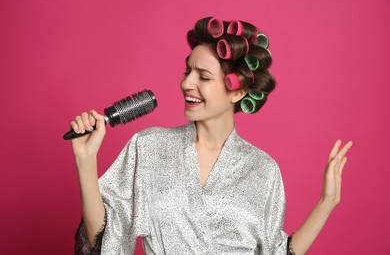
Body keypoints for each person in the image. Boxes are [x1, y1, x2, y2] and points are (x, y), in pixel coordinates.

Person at [70, 17, 353, 255]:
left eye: (203, 77)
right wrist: (86, 161)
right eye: (187, 71)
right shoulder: (149, 147)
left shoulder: (263, 170)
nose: (186, 83)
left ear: (238, 91)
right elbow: (105, 240)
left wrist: (326, 203)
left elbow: (276, 251)